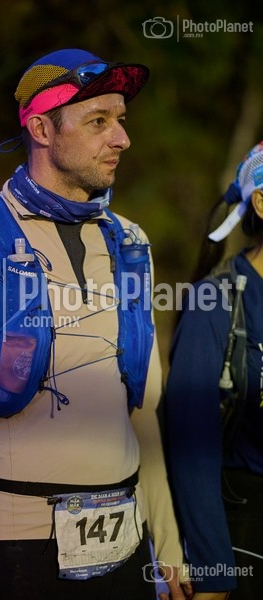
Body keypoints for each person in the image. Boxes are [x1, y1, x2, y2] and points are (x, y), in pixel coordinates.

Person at [0, 48, 190, 600]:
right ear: (42, 129)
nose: (121, 139)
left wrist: (170, 548)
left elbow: (145, 412)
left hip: (126, 542)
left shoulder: (130, 241)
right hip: (16, 546)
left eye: (120, 120)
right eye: (98, 121)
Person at [164, 141, 263, 599]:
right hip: (244, 532)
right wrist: (213, 568)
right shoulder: (215, 301)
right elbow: (191, 443)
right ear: (260, 202)